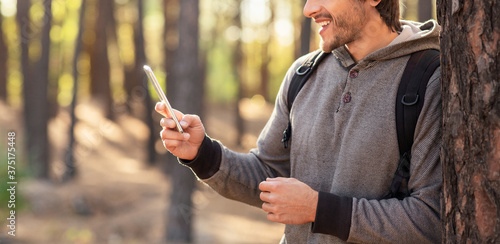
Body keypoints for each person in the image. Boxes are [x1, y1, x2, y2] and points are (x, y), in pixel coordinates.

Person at [156, 0, 442, 242]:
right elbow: (269, 174)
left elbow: (431, 218)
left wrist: (319, 210)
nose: (308, 9)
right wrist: (202, 153)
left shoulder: (429, 78)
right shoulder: (303, 73)